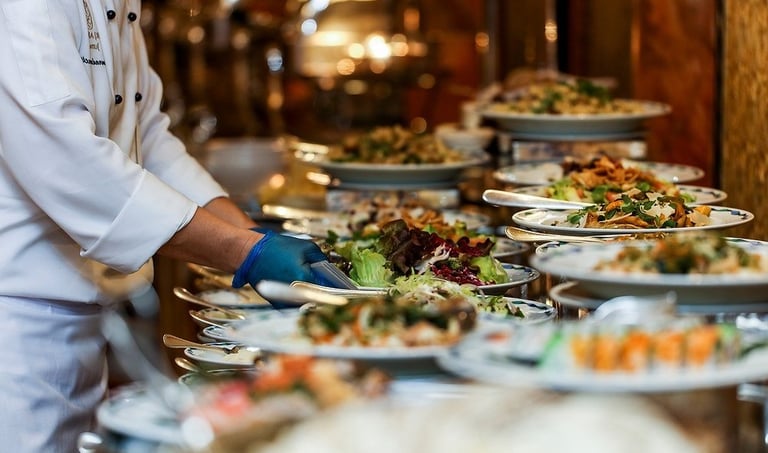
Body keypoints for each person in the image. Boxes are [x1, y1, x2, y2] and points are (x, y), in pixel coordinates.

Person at [0, 1, 328, 451]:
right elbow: (69, 165)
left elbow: (147, 136)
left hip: (86, 316)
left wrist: (252, 235)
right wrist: (242, 254)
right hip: (17, 323)